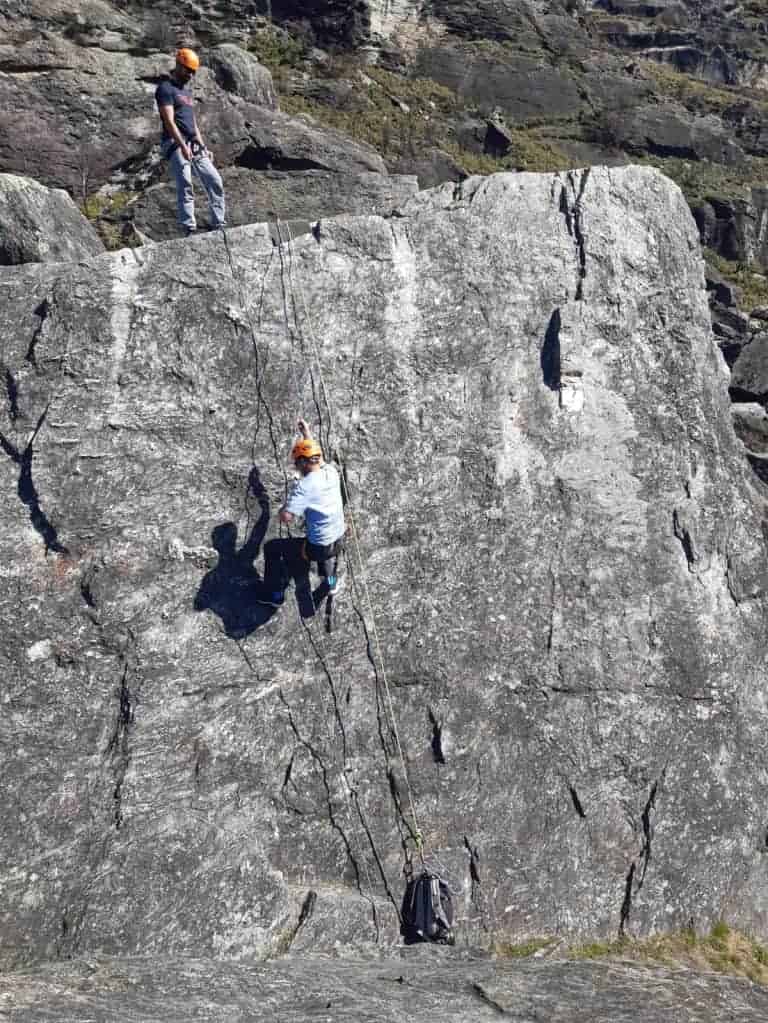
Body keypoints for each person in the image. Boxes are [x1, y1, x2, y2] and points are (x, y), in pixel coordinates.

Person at [258, 419, 345, 608]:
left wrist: (283, 508)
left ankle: (274, 595)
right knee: (329, 560)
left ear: (304, 462)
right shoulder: (331, 471)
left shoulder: (304, 487)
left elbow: (287, 518)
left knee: (272, 548)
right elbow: (318, 458)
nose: (296, 466)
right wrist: (307, 434)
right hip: (338, 537)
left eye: (297, 463)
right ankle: (331, 585)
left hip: (318, 546)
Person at [155, 47, 226, 236]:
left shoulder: (185, 92)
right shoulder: (165, 89)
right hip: (174, 142)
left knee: (215, 180)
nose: (190, 75)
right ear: (178, 65)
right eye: (188, 70)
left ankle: (219, 225)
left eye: (193, 72)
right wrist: (181, 145)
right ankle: (188, 228)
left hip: (193, 143)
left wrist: (202, 146)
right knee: (186, 184)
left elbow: (192, 123)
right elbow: (169, 121)